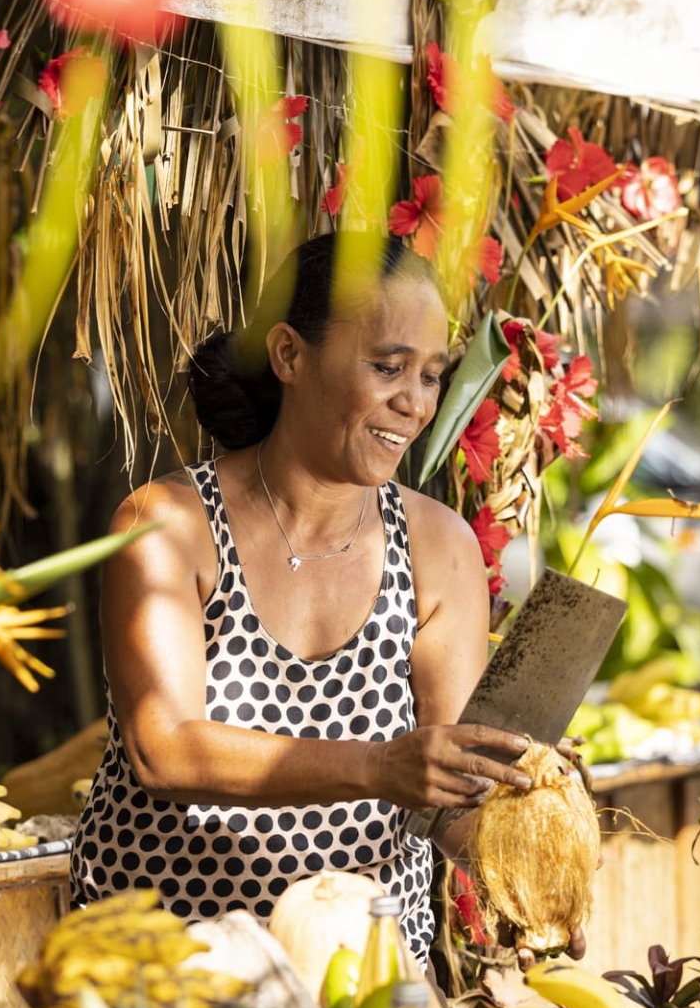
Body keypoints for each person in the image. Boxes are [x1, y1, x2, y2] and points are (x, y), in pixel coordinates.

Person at [74, 232, 572, 962]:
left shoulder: (439, 548)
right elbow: (164, 748)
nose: (414, 402)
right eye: (387, 367)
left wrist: (532, 858)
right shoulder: (169, 526)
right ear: (289, 355)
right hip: (170, 967)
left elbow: (448, 803)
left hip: (363, 969)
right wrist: (377, 766)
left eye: (431, 376)